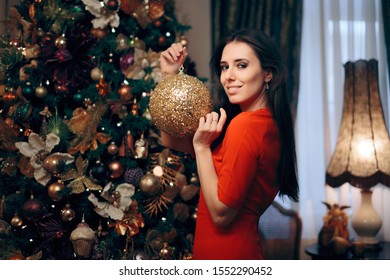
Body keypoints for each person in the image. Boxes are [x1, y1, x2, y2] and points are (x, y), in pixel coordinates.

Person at [159, 28, 299, 260]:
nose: (228, 76)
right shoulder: (264, 123)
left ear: (268, 73)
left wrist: (203, 147)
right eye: (224, 67)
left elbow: (221, 215)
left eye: (241, 65)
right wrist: (169, 76)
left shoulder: (246, 125)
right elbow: (171, 139)